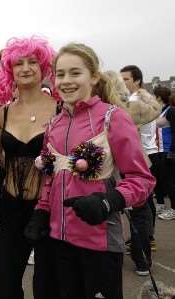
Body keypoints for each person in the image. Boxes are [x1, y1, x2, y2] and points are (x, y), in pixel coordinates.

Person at [25, 43, 155, 298]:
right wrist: (41, 212)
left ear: (94, 77)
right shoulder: (53, 124)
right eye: (60, 74)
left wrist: (109, 201)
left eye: (75, 73)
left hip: (99, 243)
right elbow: (50, 176)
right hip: (56, 241)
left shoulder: (113, 118)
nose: (66, 81)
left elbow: (142, 180)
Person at [0, 36, 59, 299]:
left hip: (50, 208)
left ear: (44, 67)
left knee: (47, 286)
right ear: (9, 70)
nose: (26, 68)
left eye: (33, 62)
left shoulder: (61, 109)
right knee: (4, 286)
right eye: (19, 63)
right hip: (10, 206)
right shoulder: (2, 113)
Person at [120, 65, 157, 273]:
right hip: (141, 159)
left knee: (139, 211)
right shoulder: (144, 101)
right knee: (142, 210)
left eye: (126, 79)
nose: (122, 82)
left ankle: (141, 255)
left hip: (134, 160)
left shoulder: (133, 104)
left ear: (137, 81)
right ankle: (141, 250)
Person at [155, 86, 175, 220]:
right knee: (164, 180)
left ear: (159, 97)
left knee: (170, 182)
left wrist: (172, 152)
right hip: (161, 149)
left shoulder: (171, 111)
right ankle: (166, 207)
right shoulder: (163, 110)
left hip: (169, 150)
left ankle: (173, 210)